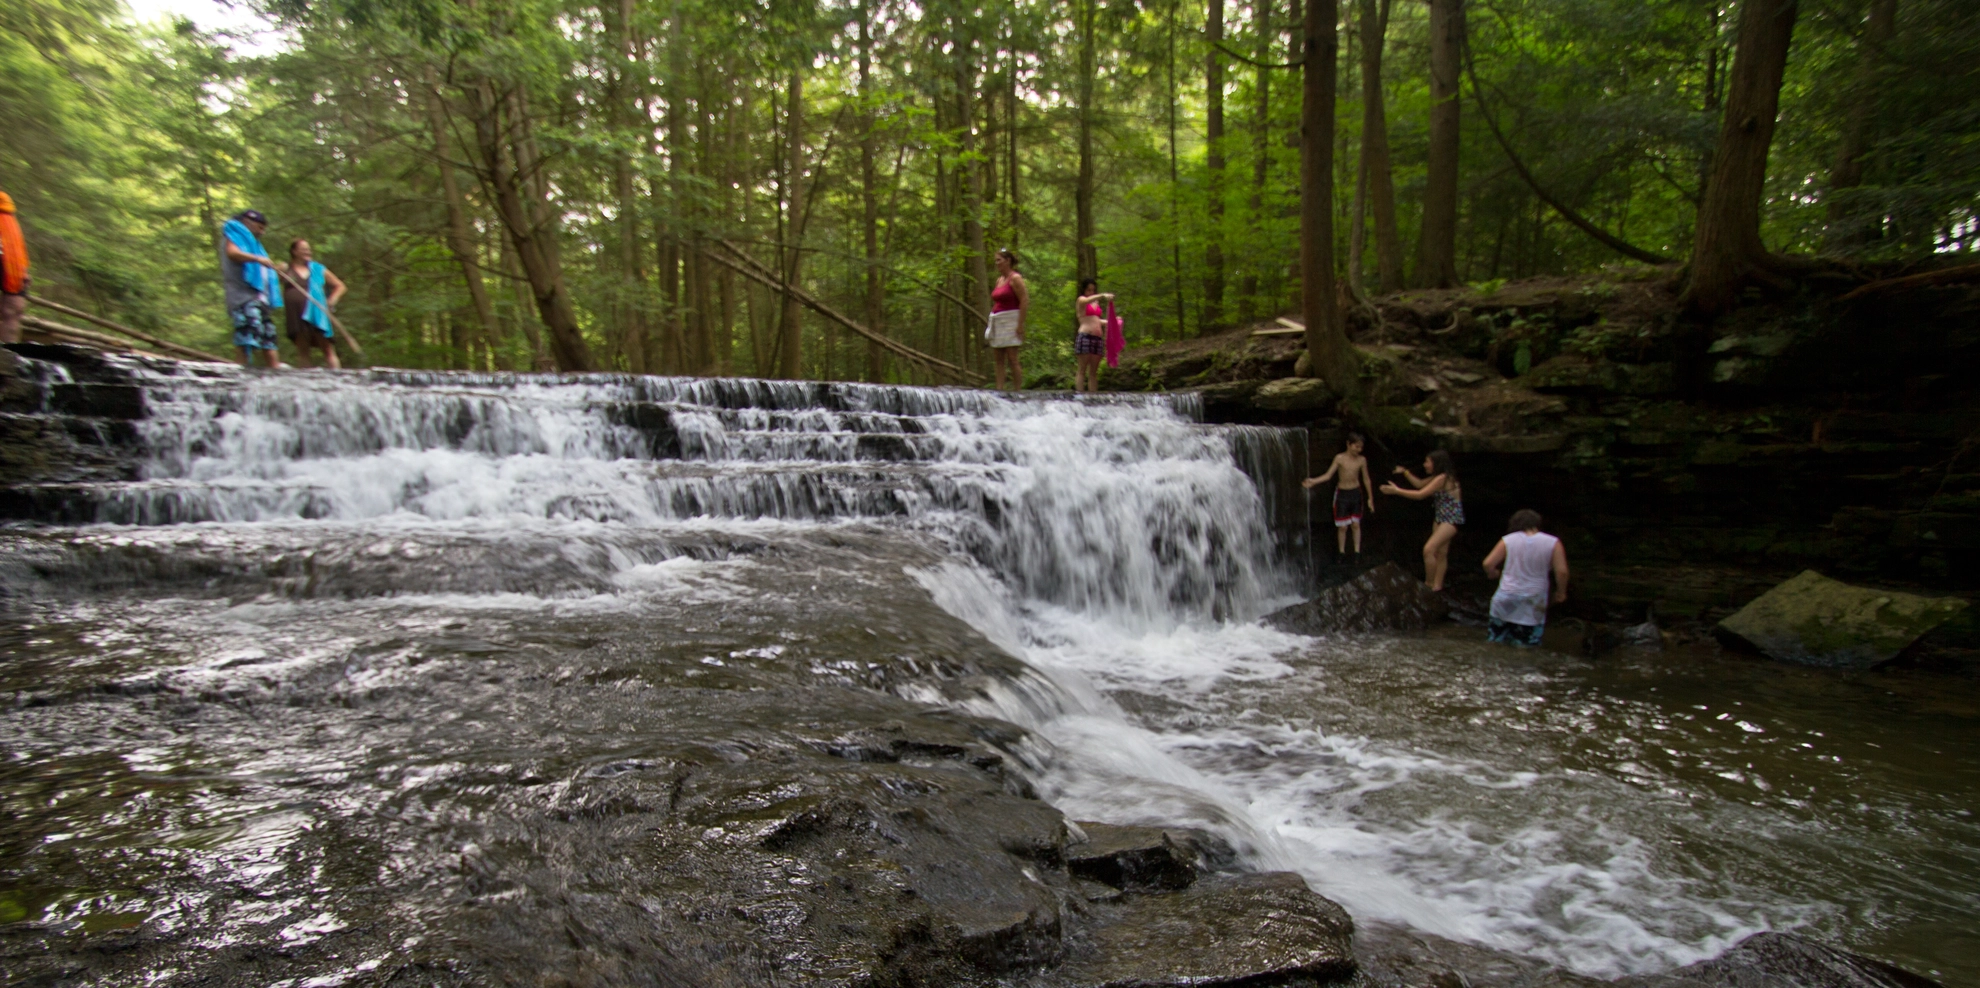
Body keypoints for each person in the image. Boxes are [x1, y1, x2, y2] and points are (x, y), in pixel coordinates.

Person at [1481, 509, 1569, 648]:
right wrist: (1561, 592)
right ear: (1537, 524)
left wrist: (1493, 573)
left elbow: (1488, 563)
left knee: (1495, 641)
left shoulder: (1508, 540)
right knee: (1526, 646)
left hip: (1506, 595)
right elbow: (1562, 572)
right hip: (1533, 598)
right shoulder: (1553, 542)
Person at [1379, 449, 1463, 591]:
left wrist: (1397, 491)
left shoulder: (1442, 478)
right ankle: (1437, 586)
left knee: (1428, 550)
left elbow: (1420, 494)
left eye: (1427, 462)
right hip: (1440, 517)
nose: (1424, 465)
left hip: (1451, 519)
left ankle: (1428, 584)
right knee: (1441, 553)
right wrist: (1405, 472)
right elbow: (1419, 484)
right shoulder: (1438, 477)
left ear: (1436, 463)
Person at [219, 209, 284, 368]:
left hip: (260, 299)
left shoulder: (254, 245)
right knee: (247, 336)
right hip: (243, 298)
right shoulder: (234, 234)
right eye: (260, 227)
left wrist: (276, 269)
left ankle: (275, 371)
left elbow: (260, 271)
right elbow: (233, 253)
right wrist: (257, 259)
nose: (262, 232)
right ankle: (241, 370)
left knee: (269, 338)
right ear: (248, 223)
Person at [1303, 432, 1375, 558]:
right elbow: (1328, 475)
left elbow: (1366, 479)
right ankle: (1341, 552)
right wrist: (1314, 481)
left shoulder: (1362, 460)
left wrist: (1370, 498)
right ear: (1348, 444)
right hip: (1342, 494)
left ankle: (1357, 552)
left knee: (1355, 524)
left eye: (1361, 447)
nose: (1358, 450)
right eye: (1356, 446)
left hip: (1355, 493)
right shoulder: (1339, 458)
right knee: (1342, 527)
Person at [282, 239, 346, 369]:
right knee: (303, 349)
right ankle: (305, 378)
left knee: (327, 348)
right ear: (294, 251)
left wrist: (331, 300)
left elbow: (340, 286)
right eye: (304, 249)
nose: (308, 252)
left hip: (317, 313)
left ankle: (336, 375)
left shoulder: (318, 269)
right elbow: (269, 281)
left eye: (308, 249)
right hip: (296, 314)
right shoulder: (286, 268)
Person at [984, 248, 1028, 390]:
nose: (996, 263)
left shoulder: (1015, 278)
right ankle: (1000, 389)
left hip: (1011, 320)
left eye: (999, 260)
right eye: (995, 260)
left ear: (1008, 261)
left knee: (1012, 358)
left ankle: (1017, 390)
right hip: (998, 320)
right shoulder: (999, 280)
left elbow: (1024, 300)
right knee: (999, 358)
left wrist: (1020, 325)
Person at [1074, 278, 1113, 393]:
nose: (1091, 292)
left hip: (1097, 339)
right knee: (1082, 369)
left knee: (1093, 372)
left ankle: (1093, 396)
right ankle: (1080, 394)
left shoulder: (1096, 303)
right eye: (1089, 290)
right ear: (1084, 290)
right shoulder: (1081, 300)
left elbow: (1097, 320)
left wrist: (1112, 322)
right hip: (1085, 336)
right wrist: (1102, 295)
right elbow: (1086, 301)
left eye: (1093, 290)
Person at [0, 192, 29, 345]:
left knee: (13, 310)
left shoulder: (6, 210)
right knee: (12, 310)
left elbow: (15, 245)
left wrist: (22, 270)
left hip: (11, 263)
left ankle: (8, 351)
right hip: (10, 262)